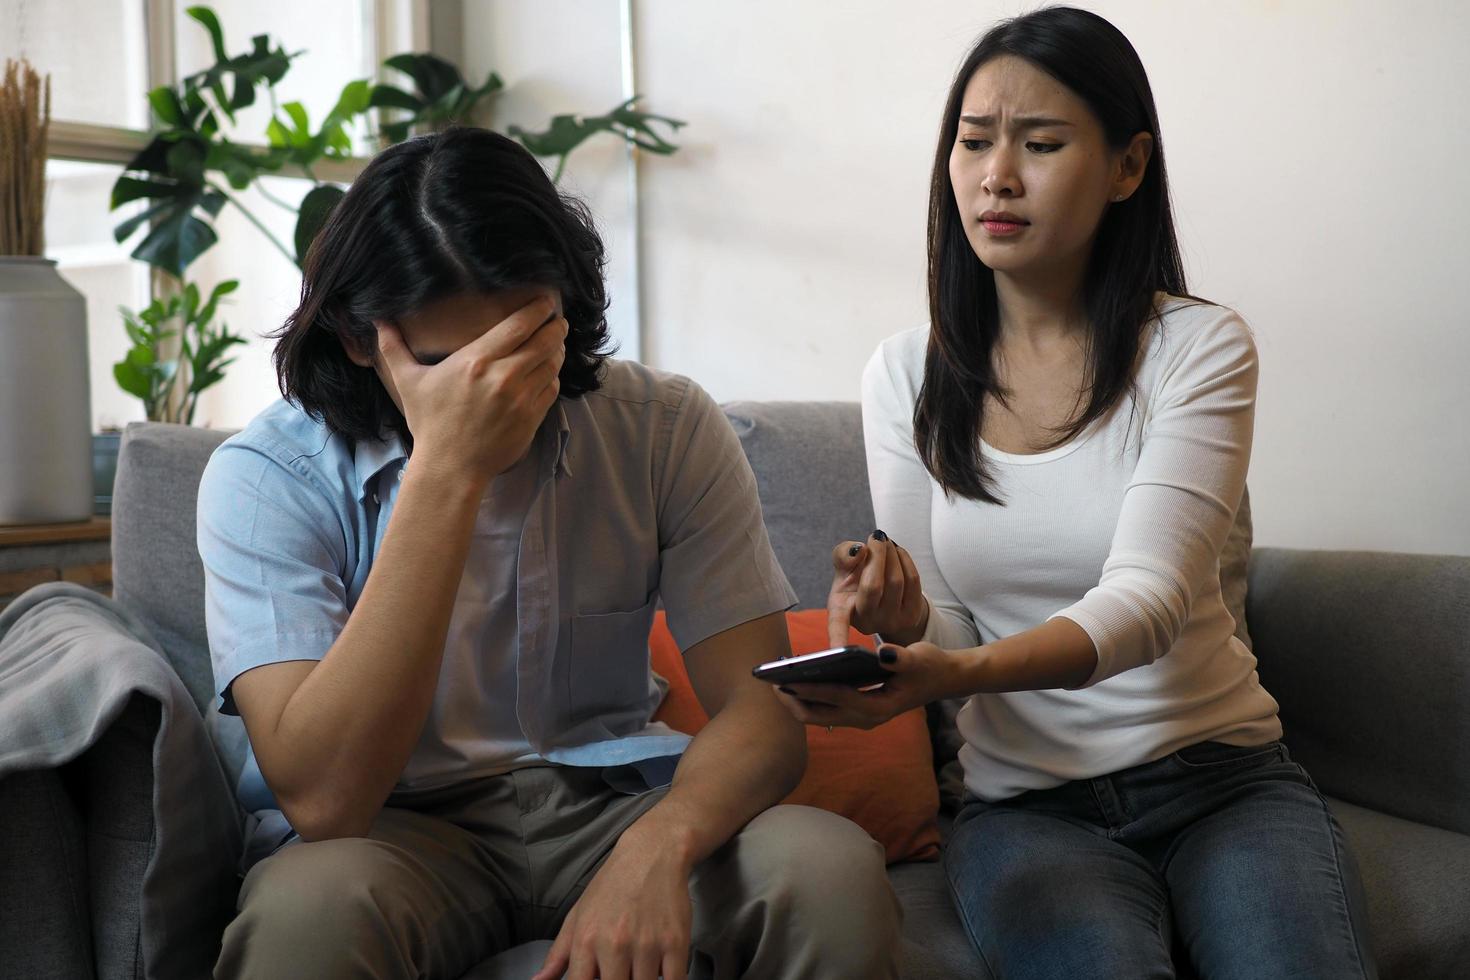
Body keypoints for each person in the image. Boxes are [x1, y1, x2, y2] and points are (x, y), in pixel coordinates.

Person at [197, 126, 900, 980]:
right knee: (302, 919)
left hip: (614, 803)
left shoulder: (664, 428)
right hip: (392, 830)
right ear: (358, 338)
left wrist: (658, 849)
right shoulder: (268, 475)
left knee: (824, 867)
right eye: (450, 365)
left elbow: (761, 716)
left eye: (527, 347)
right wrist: (446, 470)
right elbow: (325, 798)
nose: (498, 390)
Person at [773, 8, 1376, 979]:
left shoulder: (1198, 348)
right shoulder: (904, 374)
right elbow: (952, 623)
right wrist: (902, 616)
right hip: (1028, 810)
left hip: (1218, 779)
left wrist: (946, 676)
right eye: (973, 142)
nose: (995, 175)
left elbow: (1145, 607)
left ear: (1128, 166)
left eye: (1040, 144)